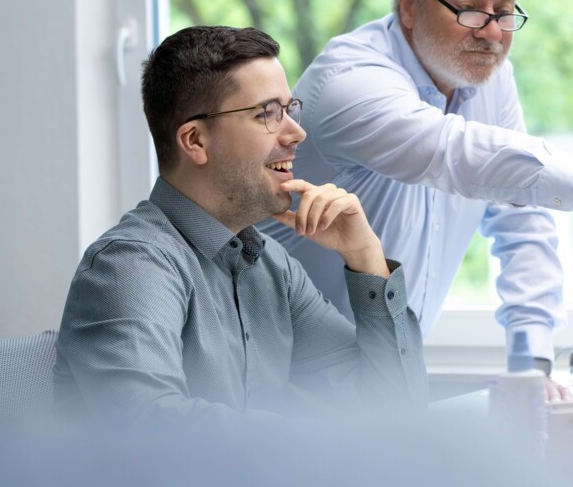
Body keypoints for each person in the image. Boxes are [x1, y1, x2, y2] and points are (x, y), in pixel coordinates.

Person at [260, 0, 573, 400]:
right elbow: (449, 151)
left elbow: (521, 223)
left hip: (390, 376)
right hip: (290, 387)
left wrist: (530, 367)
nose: (493, 32)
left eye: (504, 11)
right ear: (410, 4)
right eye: (470, 9)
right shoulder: (349, 78)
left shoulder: (491, 81)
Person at [53, 26, 427, 428]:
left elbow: (393, 414)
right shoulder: (129, 266)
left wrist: (366, 257)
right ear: (195, 140)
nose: (297, 133)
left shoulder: (273, 268)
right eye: (268, 113)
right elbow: (154, 432)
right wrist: (319, 443)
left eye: (289, 109)